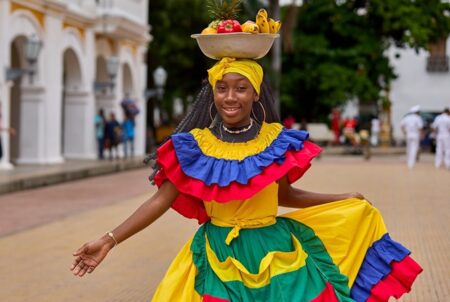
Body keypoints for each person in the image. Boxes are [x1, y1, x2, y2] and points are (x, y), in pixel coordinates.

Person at [71, 58, 422, 301]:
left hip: (277, 251)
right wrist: (109, 240)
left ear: (255, 93)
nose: (229, 97)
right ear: (213, 92)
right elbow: (160, 200)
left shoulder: (276, 141)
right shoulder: (195, 148)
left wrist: (340, 198)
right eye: (221, 88)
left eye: (241, 88)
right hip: (216, 252)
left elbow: (287, 195)